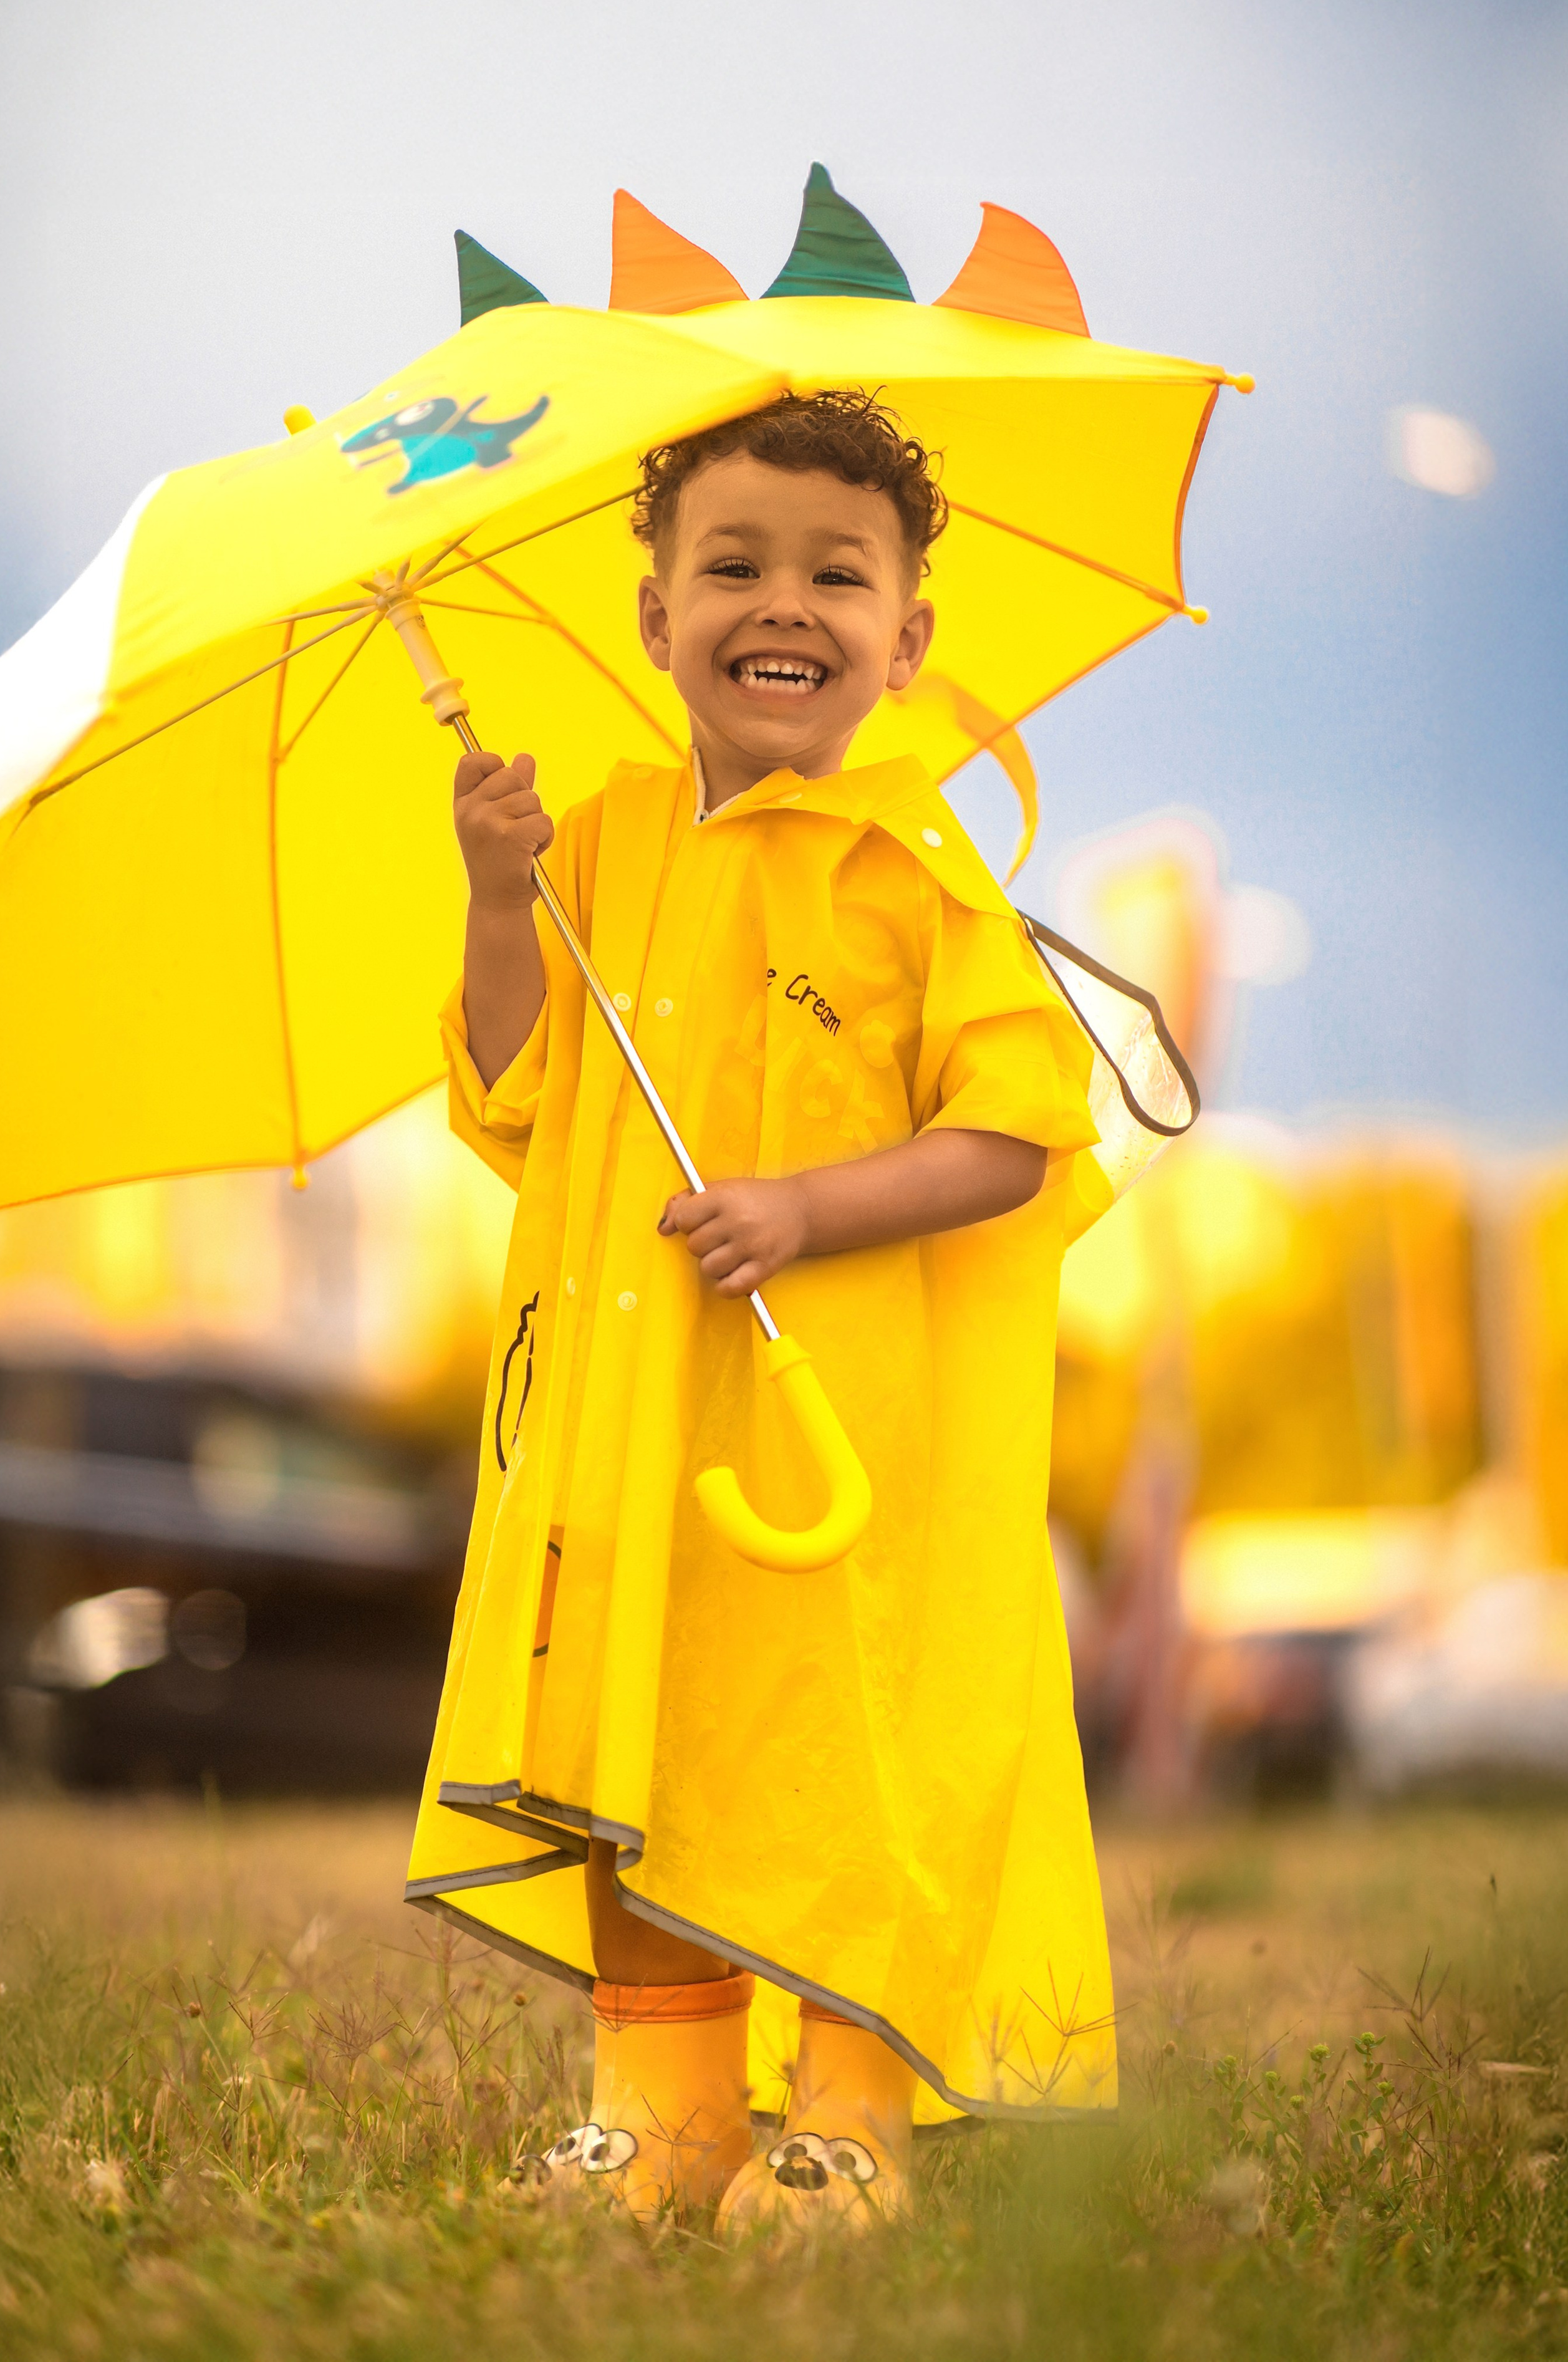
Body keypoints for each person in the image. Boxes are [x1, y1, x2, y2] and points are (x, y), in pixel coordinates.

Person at [404, 390, 1117, 2230]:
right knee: (638, 1746)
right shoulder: (603, 844)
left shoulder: (916, 865)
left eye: (834, 573)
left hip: (838, 1446)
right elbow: (519, 1098)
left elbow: (1020, 1139)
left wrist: (808, 1207)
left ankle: (844, 2118)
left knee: (829, 1764)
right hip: (644, 1436)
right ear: (655, 618)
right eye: (732, 566)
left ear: (908, 636)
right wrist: (500, 895)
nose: (781, 603)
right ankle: (664, 2114)